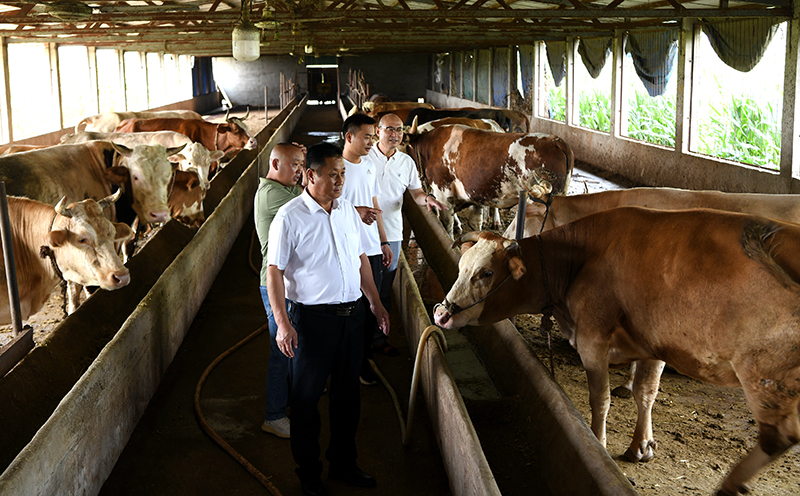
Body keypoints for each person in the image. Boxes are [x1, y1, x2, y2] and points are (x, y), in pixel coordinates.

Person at [267, 142, 390, 496]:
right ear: (310, 175)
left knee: (347, 396)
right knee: (306, 400)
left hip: (351, 318)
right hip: (311, 320)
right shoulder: (290, 216)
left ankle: (344, 463)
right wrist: (283, 323)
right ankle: (309, 473)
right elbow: (273, 272)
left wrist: (376, 303)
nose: (339, 181)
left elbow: (361, 260)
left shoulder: (348, 211)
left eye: (342, 174)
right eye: (332, 174)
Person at [368, 113, 447, 355]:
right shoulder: (364, 158)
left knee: (384, 289)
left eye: (399, 130)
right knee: (362, 290)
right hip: (363, 234)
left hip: (392, 233)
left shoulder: (406, 162)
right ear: (378, 131)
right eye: (389, 129)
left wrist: (429, 199)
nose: (395, 134)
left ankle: (378, 340)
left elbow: (416, 194)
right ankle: (357, 344)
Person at [254, 142, 306, 439]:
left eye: (302, 165)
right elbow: (314, 204)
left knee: (291, 345)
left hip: (289, 282)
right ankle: (273, 415)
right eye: (295, 165)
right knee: (281, 349)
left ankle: (291, 398)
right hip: (274, 284)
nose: (299, 171)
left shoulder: (285, 189)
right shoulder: (273, 195)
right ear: (275, 165)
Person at [339, 113, 392, 386]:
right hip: (345, 250)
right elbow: (324, 206)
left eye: (373, 136)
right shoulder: (336, 168)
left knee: (372, 308)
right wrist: (354, 211)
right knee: (350, 309)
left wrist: (383, 241)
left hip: (370, 247)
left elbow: (374, 202)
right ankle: (348, 362)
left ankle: (362, 361)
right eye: (367, 137)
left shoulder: (369, 167)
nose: (371, 142)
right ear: (349, 137)